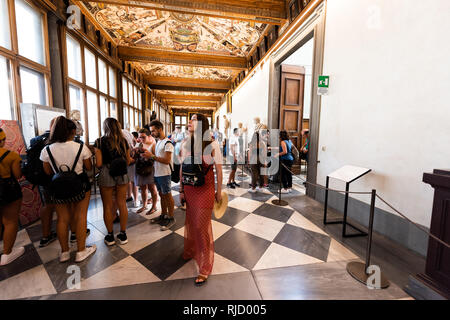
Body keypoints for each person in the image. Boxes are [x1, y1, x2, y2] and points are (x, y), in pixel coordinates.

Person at [40, 116, 95, 263]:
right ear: (72, 131)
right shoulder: (80, 147)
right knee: (80, 216)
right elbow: (89, 167)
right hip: (80, 184)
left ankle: (64, 252)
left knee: (62, 218)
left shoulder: (47, 149)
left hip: (58, 186)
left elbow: (47, 171)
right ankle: (81, 251)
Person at [179, 114, 223, 286]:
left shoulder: (212, 144)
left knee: (200, 225)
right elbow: (183, 166)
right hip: (189, 188)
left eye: (194, 119)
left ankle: (205, 264)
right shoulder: (186, 143)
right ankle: (192, 249)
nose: (189, 122)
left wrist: (219, 192)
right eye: (190, 120)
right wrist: (181, 189)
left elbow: (218, 171)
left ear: (202, 124)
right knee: (191, 221)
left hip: (205, 189)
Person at [94, 118, 133, 246]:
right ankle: (123, 234)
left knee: (107, 205)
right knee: (122, 203)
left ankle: (110, 236)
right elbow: (128, 161)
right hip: (122, 173)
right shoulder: (124, 141)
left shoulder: (99, 142)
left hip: (106, 173)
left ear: (105, 127)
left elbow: (99, 163)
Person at [144, 120, 176, 230]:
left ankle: (171, 218)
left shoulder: (168, 143)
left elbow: (167, 160)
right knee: (162, 195)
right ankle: (163, 215)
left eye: (153, 131)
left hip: (165, 173)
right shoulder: (158, 142)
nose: (151, 133)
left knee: (167, 195)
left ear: (160, 129)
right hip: (157, 173)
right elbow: (156, 158)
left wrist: (151, 156)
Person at [0, 128, 25, 266]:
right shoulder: (12, 156)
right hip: (8, 191)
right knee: (10, 221)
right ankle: (7, 253)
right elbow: (17, 175)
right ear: (3, 140)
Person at [134, 128, 158, 215]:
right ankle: (144, 205)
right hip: (140, 168)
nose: (141, 139)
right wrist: (135, 152)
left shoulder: (153, 145)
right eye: (140, 137)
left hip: (150, 169)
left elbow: (156, 158)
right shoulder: (139, 144)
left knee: (152, 188)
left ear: (149, 136)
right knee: (143, 188)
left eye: (143, 137)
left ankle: (154, 206)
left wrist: (148, 155)